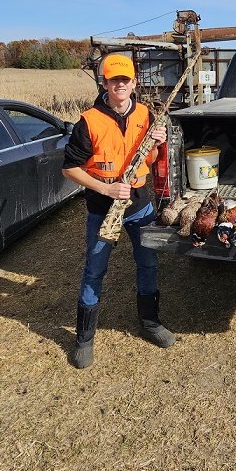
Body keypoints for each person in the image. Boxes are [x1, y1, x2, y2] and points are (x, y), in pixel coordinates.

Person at [63, 54, 175, 369]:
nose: (120, 85)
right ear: (105, 84)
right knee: (94, 270)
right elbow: (70, 169)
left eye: (125, 79)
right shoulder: (89, 121)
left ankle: (150, 322)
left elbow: (149, 161)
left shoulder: (145, 115)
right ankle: (84, 340)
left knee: (148, 264)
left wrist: (157, 143)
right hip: (102, 208)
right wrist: (106, 189)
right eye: (114, 80)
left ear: (133, 82)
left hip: (140, 206)